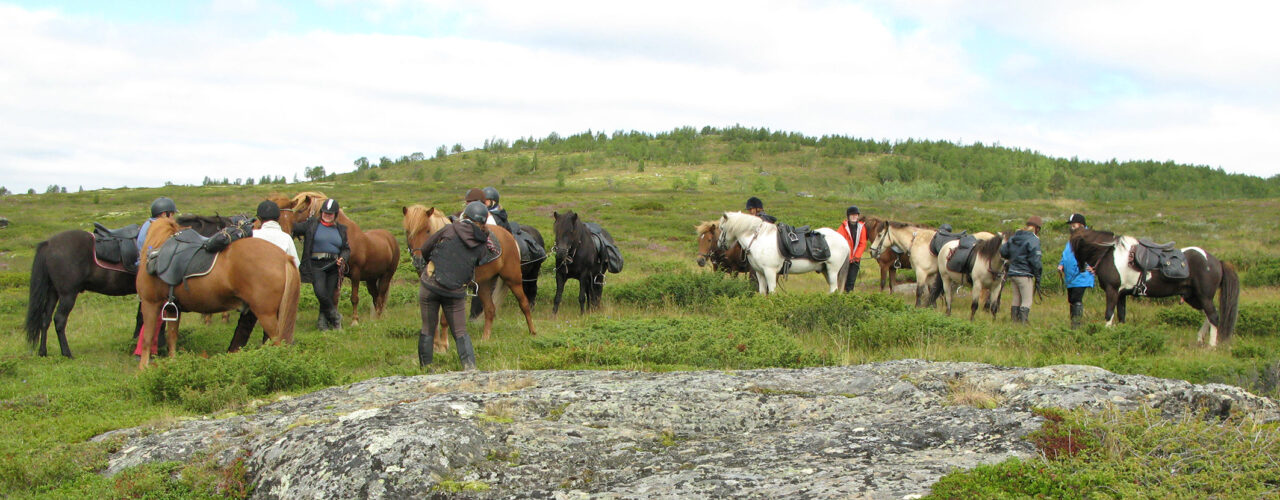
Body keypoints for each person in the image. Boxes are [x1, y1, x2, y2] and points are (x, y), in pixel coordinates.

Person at [417, 201, 490, 371]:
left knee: (428, 327)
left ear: (466, 215)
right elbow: (480, 260)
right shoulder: (482, 243)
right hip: (455, 291)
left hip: (430, 285)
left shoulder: (449, 228)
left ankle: (425, 370)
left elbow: (426, 248)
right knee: (460, 332)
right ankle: (470, 369)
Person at [228, 200, 301, 350]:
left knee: (246, 321)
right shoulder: (286, 238)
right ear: (278, 218)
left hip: (253, 287)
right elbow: (296, 265)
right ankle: (270, 351)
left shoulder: (253, 235)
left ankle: (234, 351)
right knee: (274, 322)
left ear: (259, 218)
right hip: (279, 286)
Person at [132, 197, 177, 357]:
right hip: (153, 274)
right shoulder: (155, 228)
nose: (173, 219)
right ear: (164, 214)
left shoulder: (146, 225)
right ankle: (142, 350)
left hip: (148, 271)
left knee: (154, 314)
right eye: (171, 215)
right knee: (155, 314)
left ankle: (153, 348)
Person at [296, 198, 350, 330]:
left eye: (330, 214)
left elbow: (346, 249)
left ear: (335, 215)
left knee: (329, 295)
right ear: (321, 212)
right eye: (325, 212)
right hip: (316, 265)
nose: (327, 215)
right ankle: (335, 316)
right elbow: (294, 227)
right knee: (320, 292)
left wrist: (343, 258)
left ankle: (322, 324)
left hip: (333, 266)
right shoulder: (311, 224)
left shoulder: (341, 230)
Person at [1000, 216, 1043, 324]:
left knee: (1016, 298)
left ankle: (1015, 322)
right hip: (1025, 274)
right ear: (1037, 228)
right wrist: (1038, 276)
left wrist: (1012, 258)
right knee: (1027, 300)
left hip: (1013, 273)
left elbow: (1003, 251)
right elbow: (1035, 260)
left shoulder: (1015, 236)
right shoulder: (1033, 239)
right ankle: (1023, 324)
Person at [1057, 213, 1095, 329]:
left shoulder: (1089, 237)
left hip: (1082, 275)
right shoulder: (1072, 238)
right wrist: (1061, 264)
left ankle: (1076, 326)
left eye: (1073, 225)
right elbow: (1066, 254)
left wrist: (1095, 267)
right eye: (1071, 225)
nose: (1071, 227)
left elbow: (1096, 253)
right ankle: (1073, 324)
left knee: (1077, 299)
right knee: (1071, 299)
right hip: (1070, 276)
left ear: (1081, 225)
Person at [836, 206, 868, 292]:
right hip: (844, 259)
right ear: (848, 216)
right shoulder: (842, 227)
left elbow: (863, 243)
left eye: (856, 215)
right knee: (841, 280)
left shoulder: (862, 227)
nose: (854, 216)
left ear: (858, 216)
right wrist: (849, 257)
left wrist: (856, 256)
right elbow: (839, 242)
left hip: (855, 260)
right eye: (852, 215)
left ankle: (849, 298)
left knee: (851, 282)